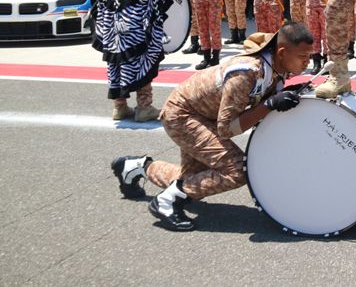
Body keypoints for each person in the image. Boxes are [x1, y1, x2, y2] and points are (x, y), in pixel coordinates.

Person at [110, 24, 313, 231]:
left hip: (203, 116)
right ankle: (167, 201)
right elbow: (227, 129)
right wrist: (268, 105)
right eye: (303, 56)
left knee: (189, 180)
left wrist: (282, 96)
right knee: (236, 170)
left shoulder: (275, 68)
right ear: (281, 52)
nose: (307, 62)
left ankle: (136, 167)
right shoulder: (247, 73)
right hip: (182, 116)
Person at [87, 0, 177, 122]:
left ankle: (119, 107)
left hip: (110, 21)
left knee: (116, 59)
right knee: (143, 58)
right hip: (139, 18)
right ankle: (144, 107)